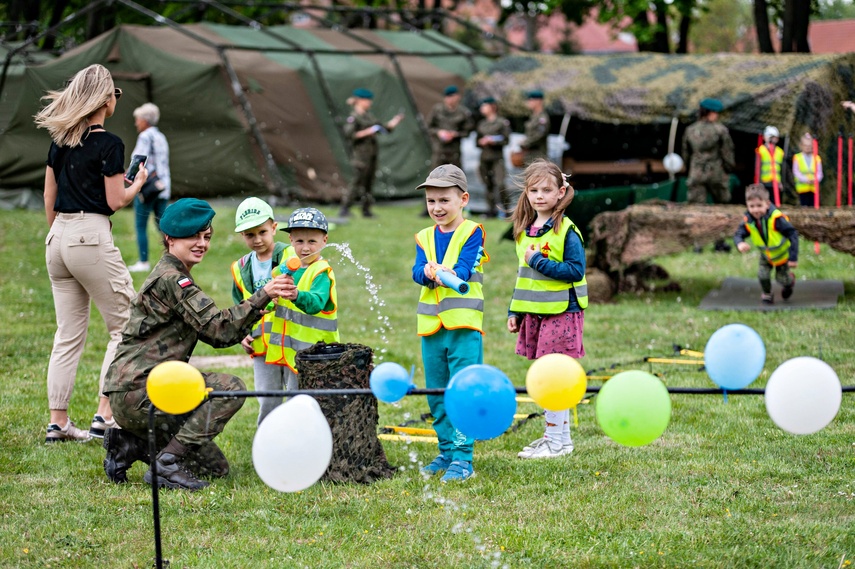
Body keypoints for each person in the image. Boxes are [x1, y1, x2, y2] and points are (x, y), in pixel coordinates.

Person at [101, 198, 292, 490]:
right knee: (230, 389)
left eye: (207, 237)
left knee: (216, 469)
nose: (202, 243)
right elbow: (219, 330)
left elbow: (215, 328)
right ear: (170, 238)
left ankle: (131, 445)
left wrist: (251, 314)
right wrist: (263, 294)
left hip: (132, 393)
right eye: (193, 236)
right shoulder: (174, 280)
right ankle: (165, 465)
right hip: (143, 393)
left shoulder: (171, 274)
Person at [34, 64, 148, 443]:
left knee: (67, 335)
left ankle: (59, 423)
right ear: (104, 99)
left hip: (58, 237)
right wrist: (138, 185)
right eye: (115, 93)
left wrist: (59, 235)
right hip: (90, 235)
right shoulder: (110, 144)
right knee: (126, 325)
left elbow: (49, 197)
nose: (117, 99)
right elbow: (116, 201)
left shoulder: (60, 141)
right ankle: (105, 415)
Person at [412, 164, 488, 483]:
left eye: (444, 200)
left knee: (463, 390)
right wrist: (427, 274)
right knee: (437, 391)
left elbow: (465, 269)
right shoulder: (423, 236)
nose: (437, 208)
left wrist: (446, 272)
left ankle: (463, 458)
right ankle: (445, 451)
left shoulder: (473, 231)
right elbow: (416, 272)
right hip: (431, 328)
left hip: (464, 326)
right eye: (431, 201)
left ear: (463, 199)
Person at [507, 159, 587, 459]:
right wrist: (514, 312)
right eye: (534, 190)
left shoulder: (566, 231)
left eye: (546, 190)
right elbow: (523, 276)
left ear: (560, 192)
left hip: (562, 312)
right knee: (546, 375)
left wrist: (537, 261)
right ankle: (560, 441)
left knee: (552, 377)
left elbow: (575, 270)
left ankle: (554, 440)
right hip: (535, 313)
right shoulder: (525, 231)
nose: (540, 196)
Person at [231, 197, 296, 425]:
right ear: (242, 236)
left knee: (297, 398)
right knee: (268, 399)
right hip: (261, 344)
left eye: (262, 232)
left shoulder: (291, 255)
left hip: (291, 341)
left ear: (274, 227)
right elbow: (240, 307)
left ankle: (300, 442)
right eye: (250, 235)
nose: (257, 239)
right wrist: (242, 333)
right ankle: (268, 445)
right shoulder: (240, 268)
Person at [265, 208, 340, 387]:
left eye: (312, 241)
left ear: (325, 241)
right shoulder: (286, 268)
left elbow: (315, 303)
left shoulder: (321, 272)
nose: (305, 247)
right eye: (299, 241)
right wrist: (269, 302)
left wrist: (297, 295)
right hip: (291, 351)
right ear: (290, 240)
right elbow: (270, 294)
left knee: (304, 399)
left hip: (316, 353)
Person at [339, 88, 403, 218]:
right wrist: (367, 132)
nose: (369, 103)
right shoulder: (354, 117)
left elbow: (384, 128)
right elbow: (349, 134)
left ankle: (366, 210)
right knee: (357, 182)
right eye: (367, 100)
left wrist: (394, 122)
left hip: (371, 154)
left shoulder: (369, 116)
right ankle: (345, 208)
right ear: (359, 101)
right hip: (360, 155)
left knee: (368, 183)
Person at [733, 184, 798, 305]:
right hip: (766, 255)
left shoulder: (776, 219)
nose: (755, 210)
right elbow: (739, 233)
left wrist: (793, 257)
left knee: (782, 279)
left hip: (782, 256)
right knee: (762, 275)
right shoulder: (749, 220)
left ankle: (790, 282)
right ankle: (767, 294)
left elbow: (793, 234)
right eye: (752, 206)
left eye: (759, 205)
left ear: (767, 204)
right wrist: (740, 243)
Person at [127, 103, 171, 273]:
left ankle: (143, 261)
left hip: (148, 188)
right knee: (163, 225)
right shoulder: (161, 136)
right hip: (163, 187)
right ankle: (173, 257)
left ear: (145, 120)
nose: (136, 123)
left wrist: (130, 178)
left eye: (137, 119)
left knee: (140, 224)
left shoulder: (145, 137)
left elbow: (139, 160)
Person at [475, 97, 511, 218]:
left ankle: (506, 209)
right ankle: (491, 210)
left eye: (484, 106)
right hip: (485, 158)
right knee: (488, 184)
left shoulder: (501, 122)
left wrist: (493, 141)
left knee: (500, 183)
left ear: (492, 107)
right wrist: (482, 141)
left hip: (497, 158)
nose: (482, 109)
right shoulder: (481, 124)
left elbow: (506, 140)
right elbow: (476, 141)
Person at [426, 85, 473, 169]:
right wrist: (439, 132)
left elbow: (468, 131)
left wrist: (455, 134)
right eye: (447, 97)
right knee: (435, 177)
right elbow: (428, 127)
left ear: (458, 97)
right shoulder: (437, 110)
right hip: (439, 150)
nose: (449, 99)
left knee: (454, 176)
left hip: (454, 151)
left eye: (452, 96)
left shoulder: (463, 112)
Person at [519, 90, 550, 165]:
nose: (528, 102)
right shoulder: (533, 117)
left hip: (538, 156)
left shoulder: (542, 118)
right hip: (529, 155)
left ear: (538, 101)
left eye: (531, 100)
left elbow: (540, 134)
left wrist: (525, 142)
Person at [792, 132, 823, 207]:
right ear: (801, 146)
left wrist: (815, 179)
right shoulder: (797, 157)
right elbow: (796, 172)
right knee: (804, 206)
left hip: (813, 189)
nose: (807, 148)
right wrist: (805, 179)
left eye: (809, 146)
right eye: (805, 145)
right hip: (802, 189)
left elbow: (820, 173)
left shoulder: (817, 158)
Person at [756, 125, 784, 202]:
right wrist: (758, 182)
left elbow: (781, 169)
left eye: (774, 137)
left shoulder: (780, 152)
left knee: (774, 202)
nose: (772, 139)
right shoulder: (760, 150)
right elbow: (757, 168)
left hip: (775, 182)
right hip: (764, 182)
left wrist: (781, 182)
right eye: (770, 137)